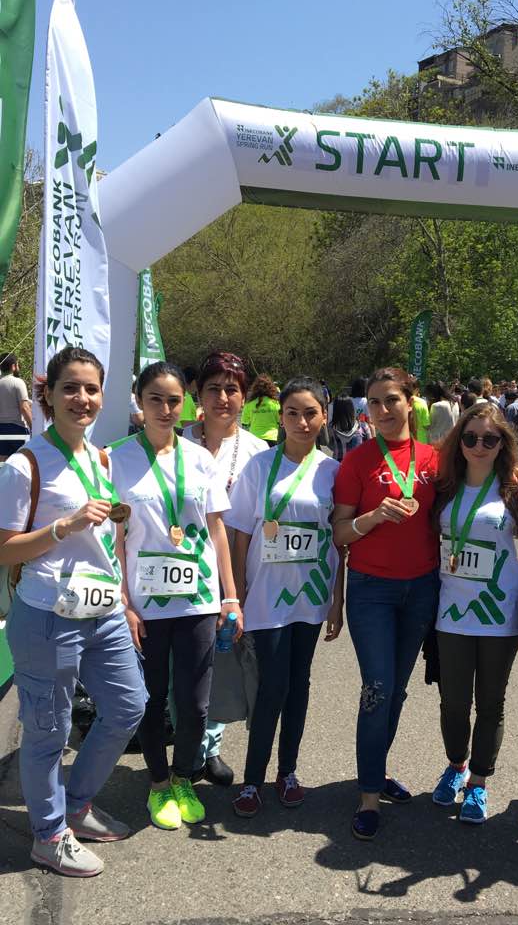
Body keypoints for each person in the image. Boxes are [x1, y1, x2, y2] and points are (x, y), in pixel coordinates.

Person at [0, 346, 146, 877]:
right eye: (70, 388)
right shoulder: (26, 465)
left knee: (130, 705)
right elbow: (4, 548)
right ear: (49, 395)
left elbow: (111, 541)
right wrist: (63, 527)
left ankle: (76, 804)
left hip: (102, 610)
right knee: (48, 729)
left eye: (91, 389)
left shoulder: (101, 457)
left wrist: (124, 598)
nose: (81, 398)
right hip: (46, 614)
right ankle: (48, 835)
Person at [113, 361, 239, 831]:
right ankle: (159, 782)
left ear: (184, 402)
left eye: (173, 400)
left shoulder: (200, 457)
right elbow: (115, 538)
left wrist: (231, 596)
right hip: (145, 601)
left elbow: (216, 530)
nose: (165, 409)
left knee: (195, 702)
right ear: (140, 403)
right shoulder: (116, 457)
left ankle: (185, 776)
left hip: (198, 599)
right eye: (155, 400)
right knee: (150, 698)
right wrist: (123, 601)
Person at [333, 366, 440, 841]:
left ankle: (376, 768)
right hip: (372, 589)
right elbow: (339, 533)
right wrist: (373, 517)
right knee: (376, 688)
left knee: (397, 689)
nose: (381, 410)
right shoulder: (357, 462)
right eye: (373, 403)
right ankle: (369, 796)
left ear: (410, 402)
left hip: (422, 586)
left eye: (391, 400)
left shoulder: (436, 459)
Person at [228, 377, 343, 817]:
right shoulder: (259, 466)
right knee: (271, 686)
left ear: (324, 417)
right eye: (292, 412)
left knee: (300, 685)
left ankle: (288, 772)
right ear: (280, 416)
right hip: (265, 597)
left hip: (310, 596)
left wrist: (338, 597)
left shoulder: (331, 470)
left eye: (310, 413)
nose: (301, 421)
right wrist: (235, 594)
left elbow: (338, 540)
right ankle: (252, 779)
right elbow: (239, 534)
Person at [431, 404, 518, 824]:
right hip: (451, 611)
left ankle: (479, 783)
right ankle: (456, 766)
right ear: (459, 441)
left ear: (502, 443)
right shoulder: (444, 487)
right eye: (470, 438)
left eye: (490, 439)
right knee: (453, 703)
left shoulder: (516, 488)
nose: (479, 446)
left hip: (499, 611)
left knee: (491, 703)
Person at [182, 351, 268, 785]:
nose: (222, 397)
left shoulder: (256, 452)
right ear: (198, 393)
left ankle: (207, 748)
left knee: (219, 660)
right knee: (182, 662)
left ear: (244, 396)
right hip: (176, 569)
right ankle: (183, 744)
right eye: (213, 388)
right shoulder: (175, 439)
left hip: (229, 571)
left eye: (232, 389)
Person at [0, 352, 32, 459]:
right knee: (21, 461)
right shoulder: (18, 382)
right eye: (17, 364)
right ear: (13, 366)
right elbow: (24, 408)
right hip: (16, 429)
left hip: (0, 428)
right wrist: (33, 426)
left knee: (2, 463)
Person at [329, 393, 373, 461]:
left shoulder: (331, 428)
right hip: (358, 464)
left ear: (335, 410)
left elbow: (330, 444)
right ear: (351, 408)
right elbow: (370, 446)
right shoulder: (363, 426)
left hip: (338, 464)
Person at [241, 373, 281, 444]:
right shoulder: (275, 403)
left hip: (254, 438)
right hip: (272, 438)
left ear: (255, 388)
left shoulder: (249, 404)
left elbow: (244, 423)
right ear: (270, 388)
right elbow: (281, 421)